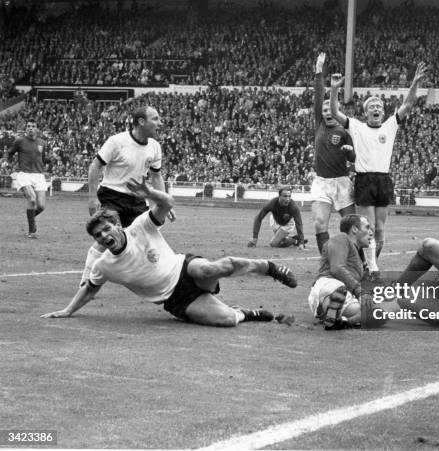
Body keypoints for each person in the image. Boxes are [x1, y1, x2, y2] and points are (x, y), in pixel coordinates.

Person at [42, 178, 298, 327]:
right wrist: (67, 311)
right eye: (98, 236)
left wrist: (150, 193)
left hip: (184, 269)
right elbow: (89, 289)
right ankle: (247, 313)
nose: (104, 237)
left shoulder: (141, 226)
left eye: (106, 229)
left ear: (117, 225)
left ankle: (270, 268)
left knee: (213, 268)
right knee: (227, 320)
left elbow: (167, 203)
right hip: (175, 300)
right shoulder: (103, 264)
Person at [330, 62, 427, 275]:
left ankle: (366, 265)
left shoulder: (390, 125)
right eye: (371, 107)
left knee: (380, 231)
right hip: (365, 180)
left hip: (384, 181)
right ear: (365, 112)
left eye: (379, 107)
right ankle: (371, 267)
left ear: (383, 112)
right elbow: (335, 112)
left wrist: (415, 83)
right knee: (369, 229)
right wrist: (335, 88)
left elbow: (408, 105)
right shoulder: (356, 126)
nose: (376, 109)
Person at [80, 106, 175, 286]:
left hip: (137, 199)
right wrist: (92, 197)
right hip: (111, 196)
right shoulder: (117, 141)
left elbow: (156, 176)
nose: (160, 123)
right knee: (106, 236)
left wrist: (163, 202)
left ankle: (160, 277)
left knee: (148, 237)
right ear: (141, 121)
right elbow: (95, 166)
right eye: (155, 118)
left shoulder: (155, 146)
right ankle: (86, 282)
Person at [311, 52, 356, 254]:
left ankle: (357, 261)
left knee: (351, 227)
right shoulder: (319, 123)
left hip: (342, 183)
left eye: (331, 110)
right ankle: (326, 261)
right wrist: (319, 72)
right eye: (324, 110)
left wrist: (350, 153)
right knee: (320, 223)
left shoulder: (346, 130)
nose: (327, 112)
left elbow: (355, 159)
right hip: (322, 182)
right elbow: (319, 96)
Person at [308, 214, 372, 330]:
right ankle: (331, 302)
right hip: (328, 284)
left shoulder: (359, 255)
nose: (371, 232)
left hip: (345, 295)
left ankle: (341, 321)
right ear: (354, 229)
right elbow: (337, 268)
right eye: (367, 227)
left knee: (382, 309)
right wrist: (359, 292)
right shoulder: (341, 238)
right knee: (337, 290)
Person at [6, 120, 47, 238]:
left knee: (41, 207)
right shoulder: (20, 141)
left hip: (39, 175)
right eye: (28, 126)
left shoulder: (42, 142)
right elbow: (10, 153)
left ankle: (30, 219)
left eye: (33, 126)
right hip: (24, 174)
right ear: (26, 129)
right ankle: (32, 231)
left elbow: (43, 158)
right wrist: (9, 165)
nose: (30, 128)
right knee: (32, 199)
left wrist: (49, 161)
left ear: (37, 129)